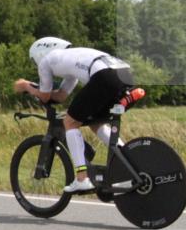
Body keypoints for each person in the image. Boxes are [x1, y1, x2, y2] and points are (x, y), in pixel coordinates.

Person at [13, 37, 135, 193]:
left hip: (104, 76)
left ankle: (82, 178)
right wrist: (41, 91)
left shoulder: (46, 61)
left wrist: (26, 86)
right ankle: (129, 167)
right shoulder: (72, 59)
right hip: (126, 74)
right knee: (95, 122)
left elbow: (44, 96)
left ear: (39, 53)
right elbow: (61, 96)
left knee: (70, 122)